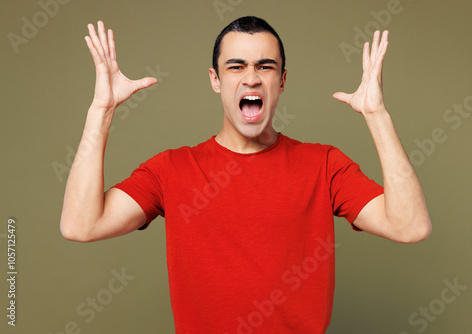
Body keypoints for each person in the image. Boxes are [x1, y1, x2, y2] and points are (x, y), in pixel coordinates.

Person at [60, 16, 432, 333]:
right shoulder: (171, 169)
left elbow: (409, 226)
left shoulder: (324, 165)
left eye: (264, 66)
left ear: (282, 81)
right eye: (236, 66)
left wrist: (377, 115)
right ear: (215, 80)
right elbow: (81, 225)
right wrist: (101, 111)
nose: (251, 78)